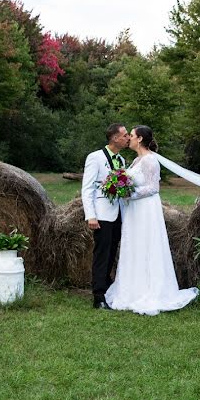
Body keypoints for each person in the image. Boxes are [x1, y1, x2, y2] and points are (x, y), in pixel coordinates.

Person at [105, 125, 199, 315]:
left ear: (139, 139)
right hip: (134, 211)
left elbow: (153, 188)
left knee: (147, 245)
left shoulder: (150, 160)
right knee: (135, 246)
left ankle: (151, 290)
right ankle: (132, 289)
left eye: (131, 135)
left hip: (146, 210)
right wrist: (119, 188)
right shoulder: (136, 161)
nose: (128, 138)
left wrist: (128, 194)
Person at [81, 123, 130, 309]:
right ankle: (98, 297)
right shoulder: (95, 157)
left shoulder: (122, 160)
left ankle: (107, 286)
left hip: (118, 214)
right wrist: (90, 216)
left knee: (111, 253)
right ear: (115, 138)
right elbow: (87, 188)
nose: (127, 138)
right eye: (125, 135)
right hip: (101, 214)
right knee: (101, 254)